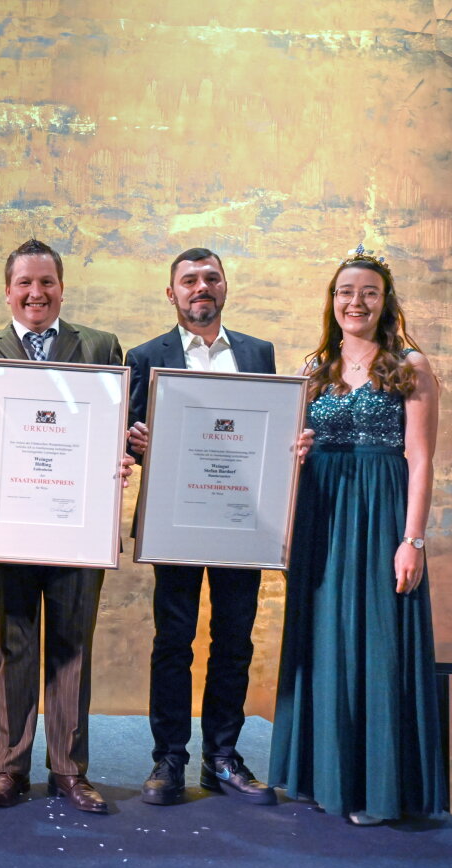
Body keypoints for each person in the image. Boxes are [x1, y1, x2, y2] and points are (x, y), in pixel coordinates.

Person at [269, 247, 445, 826]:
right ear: (332, 301)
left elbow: (420, 461)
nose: (356, 302)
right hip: (323, 517)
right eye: (346, 291)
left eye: (368, 292)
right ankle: (326, 779)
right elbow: (286, 455)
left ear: (385, 301)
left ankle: (378, 790)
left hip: (380, 516)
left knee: (376, 644)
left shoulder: (411, 366)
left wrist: (411, 540)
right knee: (324, 641)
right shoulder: (311, 370)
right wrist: (294, 457)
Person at [0, 239, 126, 812]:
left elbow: (115, 428)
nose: (36, 293)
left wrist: (121, 453)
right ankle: (10, 768)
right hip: (6, 525)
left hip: (77, 523)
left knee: (73, 647)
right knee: (14, 644)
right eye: (25, 283)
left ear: (61, 287)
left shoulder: (99, 347)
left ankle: (71, 771)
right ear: (7, 291)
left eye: (46, 282)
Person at [126, 247, 280, 806]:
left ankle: (222, 758)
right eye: (189, 280)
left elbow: (272, 426)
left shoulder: (259, 353)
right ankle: (169, 759)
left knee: (234, 640)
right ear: (172, 294)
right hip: (176, 520)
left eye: (211, 278)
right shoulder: (146, 356)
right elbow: (129, 432)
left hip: (243, 521)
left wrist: (294, 443)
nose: (201, 288)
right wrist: (134, 441)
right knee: (173, 642)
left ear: (225, 288)